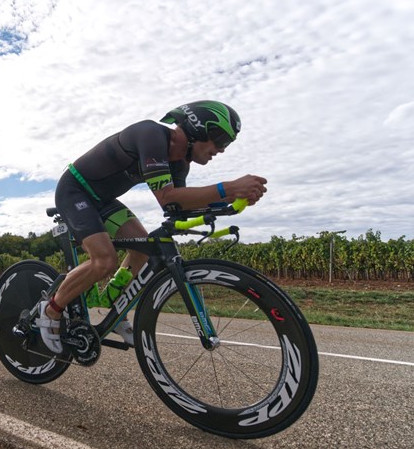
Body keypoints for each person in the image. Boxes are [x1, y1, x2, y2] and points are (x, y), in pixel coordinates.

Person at [40, 100, 267, 353]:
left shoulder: (180, 163)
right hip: (75, 190)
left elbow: (177, 208)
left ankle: (117, 313)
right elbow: (167, 196)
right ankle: (51, 310)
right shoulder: (151, 134)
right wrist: (228, 187)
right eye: (221, 141)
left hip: (103, 200)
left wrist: (230, 200)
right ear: (198, 129)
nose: (221, 150)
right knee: (104, 260)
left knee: (143, 252)